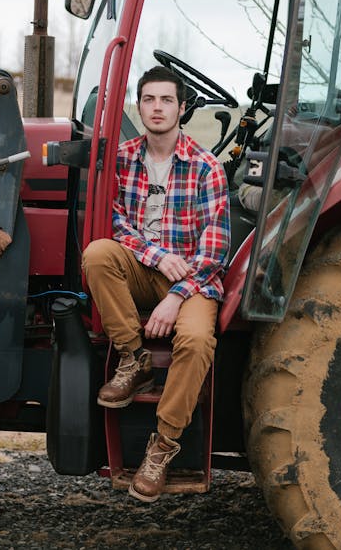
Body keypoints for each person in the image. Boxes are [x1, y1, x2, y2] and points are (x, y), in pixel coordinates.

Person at [81, 65, 230, 502]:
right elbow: (115, 222)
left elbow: (215, 249)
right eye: (149, 99)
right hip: (147, 268)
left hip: (194, 280)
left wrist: (176, 298)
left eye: (167, 100)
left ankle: (163, 446)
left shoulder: (205, 167)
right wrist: (157, 257)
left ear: (182, 108)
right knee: (98, 254)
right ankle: (134, 358)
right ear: (139, 106)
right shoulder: (123, 158)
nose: (157, 108)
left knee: (197, 341)